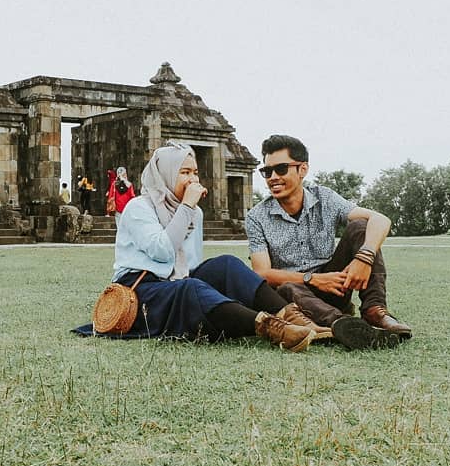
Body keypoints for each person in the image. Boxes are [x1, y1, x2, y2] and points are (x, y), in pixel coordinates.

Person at [74, 142, 330, 351]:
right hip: (141, 290)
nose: (192, 178)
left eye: (194, 172)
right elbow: (163, 251)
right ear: (166, 174)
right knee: (191, 288)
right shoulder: (139, 207)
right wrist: (186, 208)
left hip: (176, 283)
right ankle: (272, 328)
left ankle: (293, 316)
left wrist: (189, 211)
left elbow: (191, 263)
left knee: (226, 264)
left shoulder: (193, 213)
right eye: (184, 173)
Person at [246, 134, 413, 349]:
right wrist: (312, 279)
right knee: (286, 287)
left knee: (361, 227)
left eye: (281, 169)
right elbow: (262, 274)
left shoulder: (324, 197)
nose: (272, 177)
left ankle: (374, 311)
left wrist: (364, 257)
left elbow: (380, 219)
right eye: (267, 171)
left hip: (335, 285)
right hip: (297, 296)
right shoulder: (256, 217)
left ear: (302, 169)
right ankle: (345, 325)